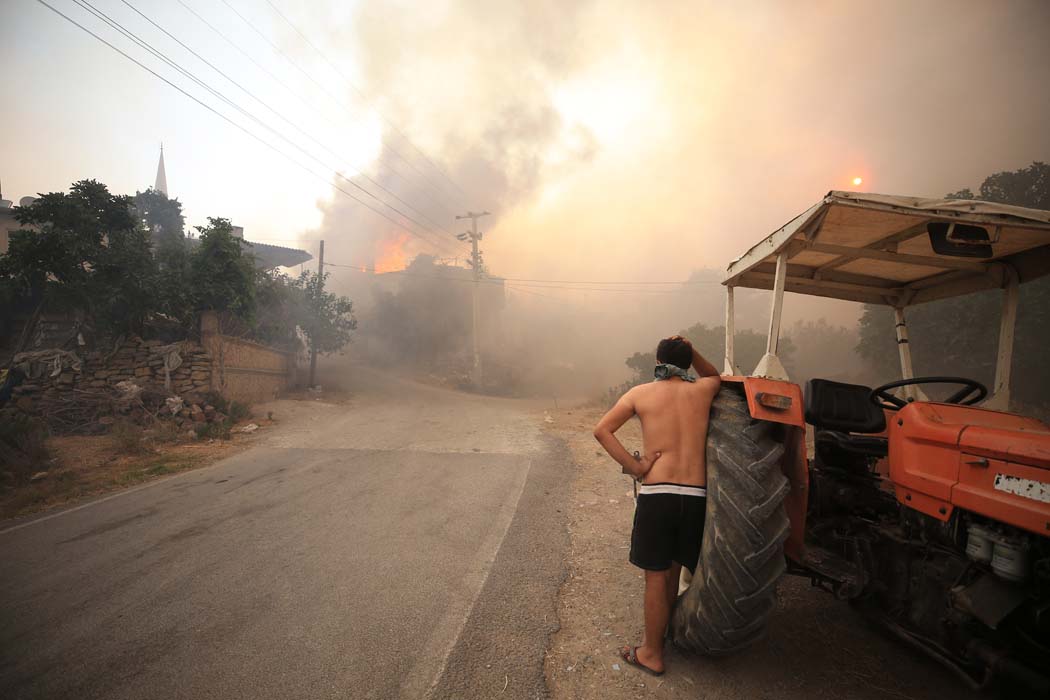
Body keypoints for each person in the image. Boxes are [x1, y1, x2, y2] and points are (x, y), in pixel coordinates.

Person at [593, 335, 721, 676]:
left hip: (658, 493)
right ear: (688, 360)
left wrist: (636, 468)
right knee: (676, 570)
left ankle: (651, 652)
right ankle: (661, 636)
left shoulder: (641, 393)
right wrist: (692, 352)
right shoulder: (704, 389)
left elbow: (602, 430)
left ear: (658, 361)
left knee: (655, 576)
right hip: (694, 497)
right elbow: (715, 373)